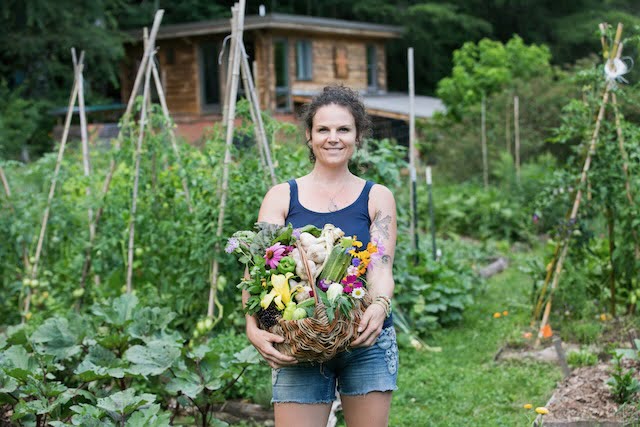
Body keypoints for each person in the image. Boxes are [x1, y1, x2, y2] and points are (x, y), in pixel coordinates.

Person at [243, 85, 398, 427]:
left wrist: (379, 306)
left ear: (358, 136)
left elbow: (381, 266)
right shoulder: (282, 196)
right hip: (297, 341)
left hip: (364, 340)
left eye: (343, 129)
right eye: (323, 129)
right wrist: (251, 326)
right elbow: (257, 270)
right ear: (310, 137)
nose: (333, 138)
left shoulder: (377, 197)